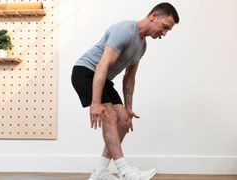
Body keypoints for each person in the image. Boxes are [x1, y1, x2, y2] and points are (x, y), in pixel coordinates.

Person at [71, 2, 180, 180]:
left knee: (123, 120)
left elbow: (129, 78)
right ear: (154, 16)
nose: (165, 33)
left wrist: (128, 108)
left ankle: (100, 172)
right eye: (165, 27)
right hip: (86, 72)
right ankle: (125, 171)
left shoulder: (142, 46)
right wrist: (96, 103)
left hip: (103, 78)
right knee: (110, 116)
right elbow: (102, 65)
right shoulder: (125, 30)